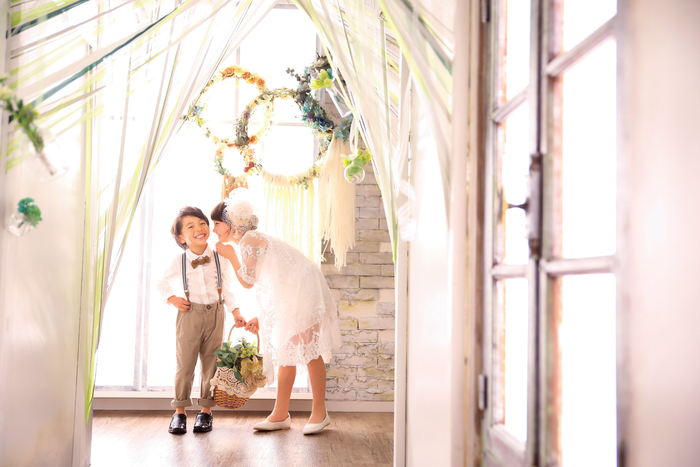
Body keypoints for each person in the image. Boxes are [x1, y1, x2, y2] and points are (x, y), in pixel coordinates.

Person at [211, 190, 342, 435]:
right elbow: (273, 281)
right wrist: (262, 317)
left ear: (230, 223)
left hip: (304, 289)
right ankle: (280, 414)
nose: (214, 230)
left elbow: (249, 281)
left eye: (217, 224)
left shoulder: (248, 239)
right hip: (294, 290)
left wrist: (230, 256)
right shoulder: (252, 239)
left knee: (308, 348)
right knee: (286, 351)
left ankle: (320, 412)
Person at [156, 206, 246, 435]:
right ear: (181, 237)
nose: (199, 229)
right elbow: (161, 283)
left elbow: (227, 287)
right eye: (191, 226)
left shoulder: (220, 257)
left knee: (211, 364)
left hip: (216, 313)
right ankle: (179, 413)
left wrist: (235, 311)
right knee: (185, 363)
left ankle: (205, 411)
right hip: (189, 315)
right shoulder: (180, 261)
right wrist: (173, 298)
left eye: (202, 223)